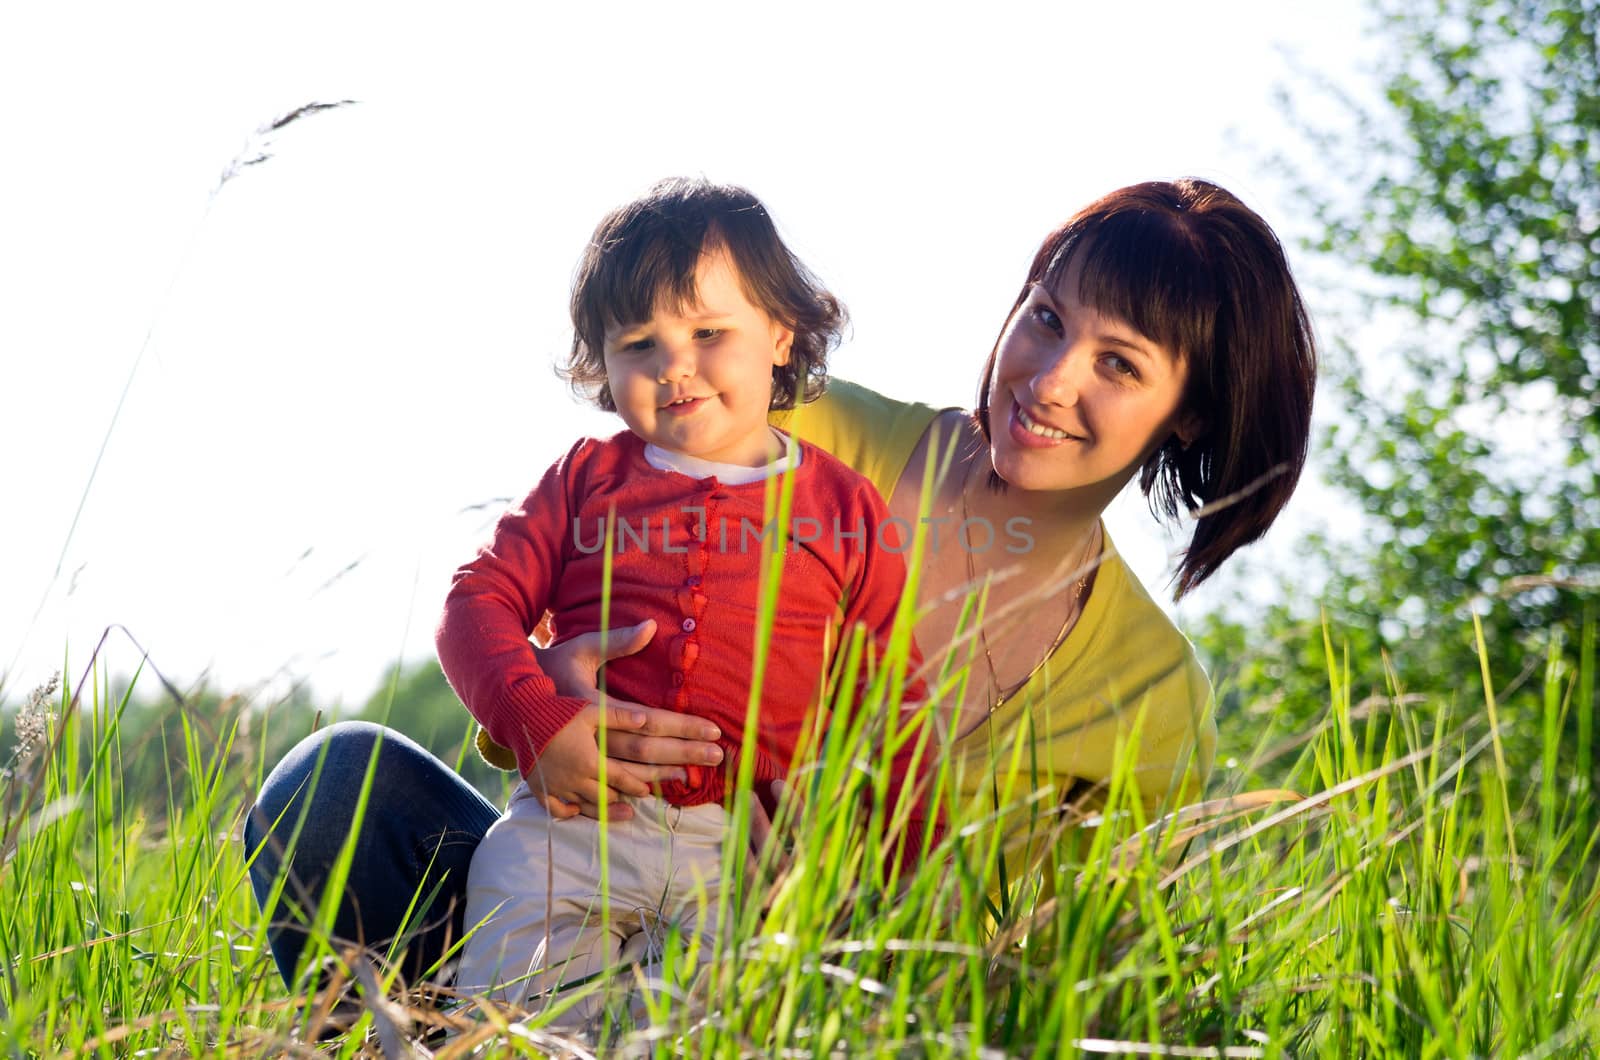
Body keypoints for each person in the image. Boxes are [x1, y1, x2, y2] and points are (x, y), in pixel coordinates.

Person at [243, 177, 1315, 994]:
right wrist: (543, 696)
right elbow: (548, 590)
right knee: (336, 788)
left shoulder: (1149, 697)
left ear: (1190, 413)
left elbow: (1050, 986)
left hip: (795, 997)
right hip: (583, 866)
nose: (1049, 379)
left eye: (1118, 363)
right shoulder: (804, 431)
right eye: (1045, 317)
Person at [437, 177, 931, 1010]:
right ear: (602, 361)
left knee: (703, 1021)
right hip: (577, 811)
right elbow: (475, 602)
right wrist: (534, 719)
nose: (676, 368)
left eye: (709, 332)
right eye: (639, 345)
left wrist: (899, 876)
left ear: (781, 332)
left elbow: (897, 702)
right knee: (510, 997)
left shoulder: (844, 507)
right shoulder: (585, 480)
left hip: (741, 846)